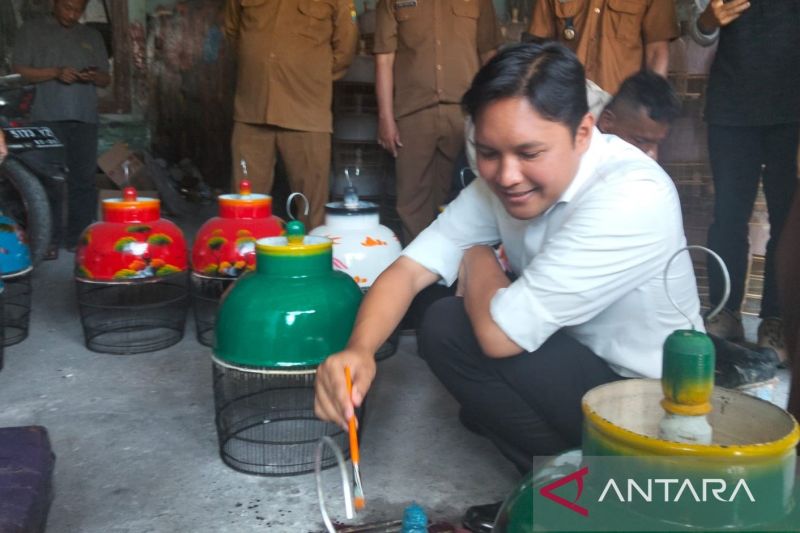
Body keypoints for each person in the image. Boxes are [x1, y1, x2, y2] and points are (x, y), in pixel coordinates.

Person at [315, 43, 701, 530]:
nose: (507, 175)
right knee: (446, 328)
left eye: (529, 153)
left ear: (584, 131)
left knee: (461, 327)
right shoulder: (499, 179)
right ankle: (557, 491)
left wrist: (476, 258)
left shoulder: (631, 196)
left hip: (651, 407)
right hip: (577, 366)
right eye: (489, 152)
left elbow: (502, 336)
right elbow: (411, 268)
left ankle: (609, 494)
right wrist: (358, 350)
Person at [690, 0, 800, 365]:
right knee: (728, 214)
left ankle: (776, 320)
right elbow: (699, 30)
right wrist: (708, 20)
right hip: (732, 104)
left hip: (793, 111)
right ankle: (724, 312)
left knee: (787, 222)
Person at [374, 0, 503, 243]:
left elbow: (489, 56)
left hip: (464, 113)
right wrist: (385, 118)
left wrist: (491, 113)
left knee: (464, 195)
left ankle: (456, 272)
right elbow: (384, 60)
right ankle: (419, 274)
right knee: (412, 202)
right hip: (413, 112)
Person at [223, 0, 358, 228]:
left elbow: (345, 48)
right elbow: (232, 32)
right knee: (244, 206)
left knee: (312, 210)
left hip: (306, 112)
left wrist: (312, 76)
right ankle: (246, 261)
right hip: (253, 108)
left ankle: (308, 262)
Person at [12, 0, 110, 256]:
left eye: (78, 9)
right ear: (55, 3)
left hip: (85, 117)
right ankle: (49, 240)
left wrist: (92, 76)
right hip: (46, 116)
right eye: (67, 7)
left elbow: (105, 77)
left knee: (83, 181)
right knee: (49, 181)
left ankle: (79, 238)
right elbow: (19, 70)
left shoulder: (92, 35)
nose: (72, 14)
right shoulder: (32, 30)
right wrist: (55, 73)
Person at [527, 0, 678, 94]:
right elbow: (541, 47)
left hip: (622, 107)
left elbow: (656, 52)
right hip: (568, 102)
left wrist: (651, 108)